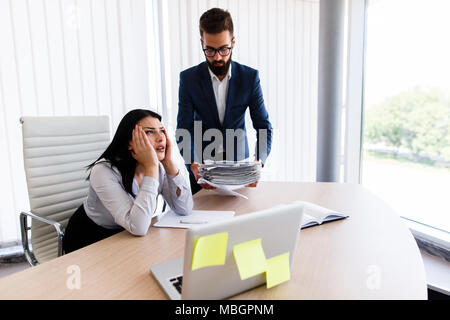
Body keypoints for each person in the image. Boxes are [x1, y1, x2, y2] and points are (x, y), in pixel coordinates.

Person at [63, 109, 193, 253]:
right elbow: (138, 227)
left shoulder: (159, 167)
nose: (160, 138)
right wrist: (151, 167)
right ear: (129, 142)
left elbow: (184, 209)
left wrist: (169, 164)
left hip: (126, 235)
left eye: (162, 131)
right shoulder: (103, 171)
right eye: (150, 132)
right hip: (90, 238)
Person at [176, 8, 273, 195]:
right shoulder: (188, 79)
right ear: (202, 43)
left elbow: (263, 126)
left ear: (233, 42)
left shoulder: (250, 78)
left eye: (223, 49)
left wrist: (258, 162)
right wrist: (193, 163)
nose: (218, 57)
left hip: (240, 174)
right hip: (203, 173)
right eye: (210, 50)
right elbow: (184, 129)